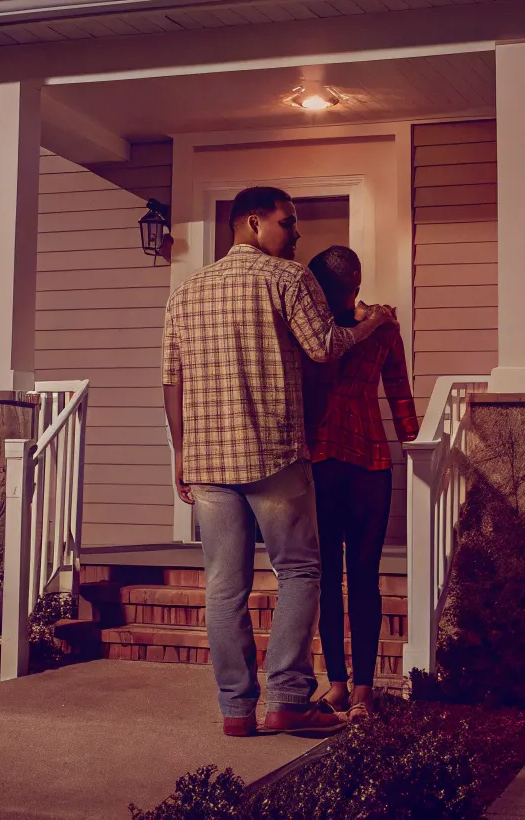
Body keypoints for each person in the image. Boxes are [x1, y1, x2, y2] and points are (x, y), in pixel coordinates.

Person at [162, 186, 395, 738]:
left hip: (208, 461)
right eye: (287, 223)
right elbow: (324, 347)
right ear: (253, 222)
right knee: (299, 572)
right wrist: (372, 324)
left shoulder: (186, 291)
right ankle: (287, 699)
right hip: (274, 456)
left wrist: (181, 451)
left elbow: (172, 378)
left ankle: (237, 711)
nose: (296, 234)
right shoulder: (288, 278)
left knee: (224, 587)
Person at [303, 246, 419, 721]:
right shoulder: (315, 331)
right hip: (333, 461)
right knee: (333, 577)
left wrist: (419, 449)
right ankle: (341, 686)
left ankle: (360, 689)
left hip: (361, 463)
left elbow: (400, 393)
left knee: (357, 576)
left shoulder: (379, 328)